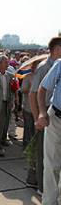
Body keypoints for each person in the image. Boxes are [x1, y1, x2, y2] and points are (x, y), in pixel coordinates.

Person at [30, 37, 61, 195]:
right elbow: (33, 93)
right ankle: (41, 188)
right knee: (45, 156)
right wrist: (38, 118)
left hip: (51, 112)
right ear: (56, 49)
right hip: (49, 115)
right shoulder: (44, 67)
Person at [37, 58, 61, 205]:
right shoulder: (60, 63)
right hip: (56, 117)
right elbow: (42, 88)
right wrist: (41, 112)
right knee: (51, 163)